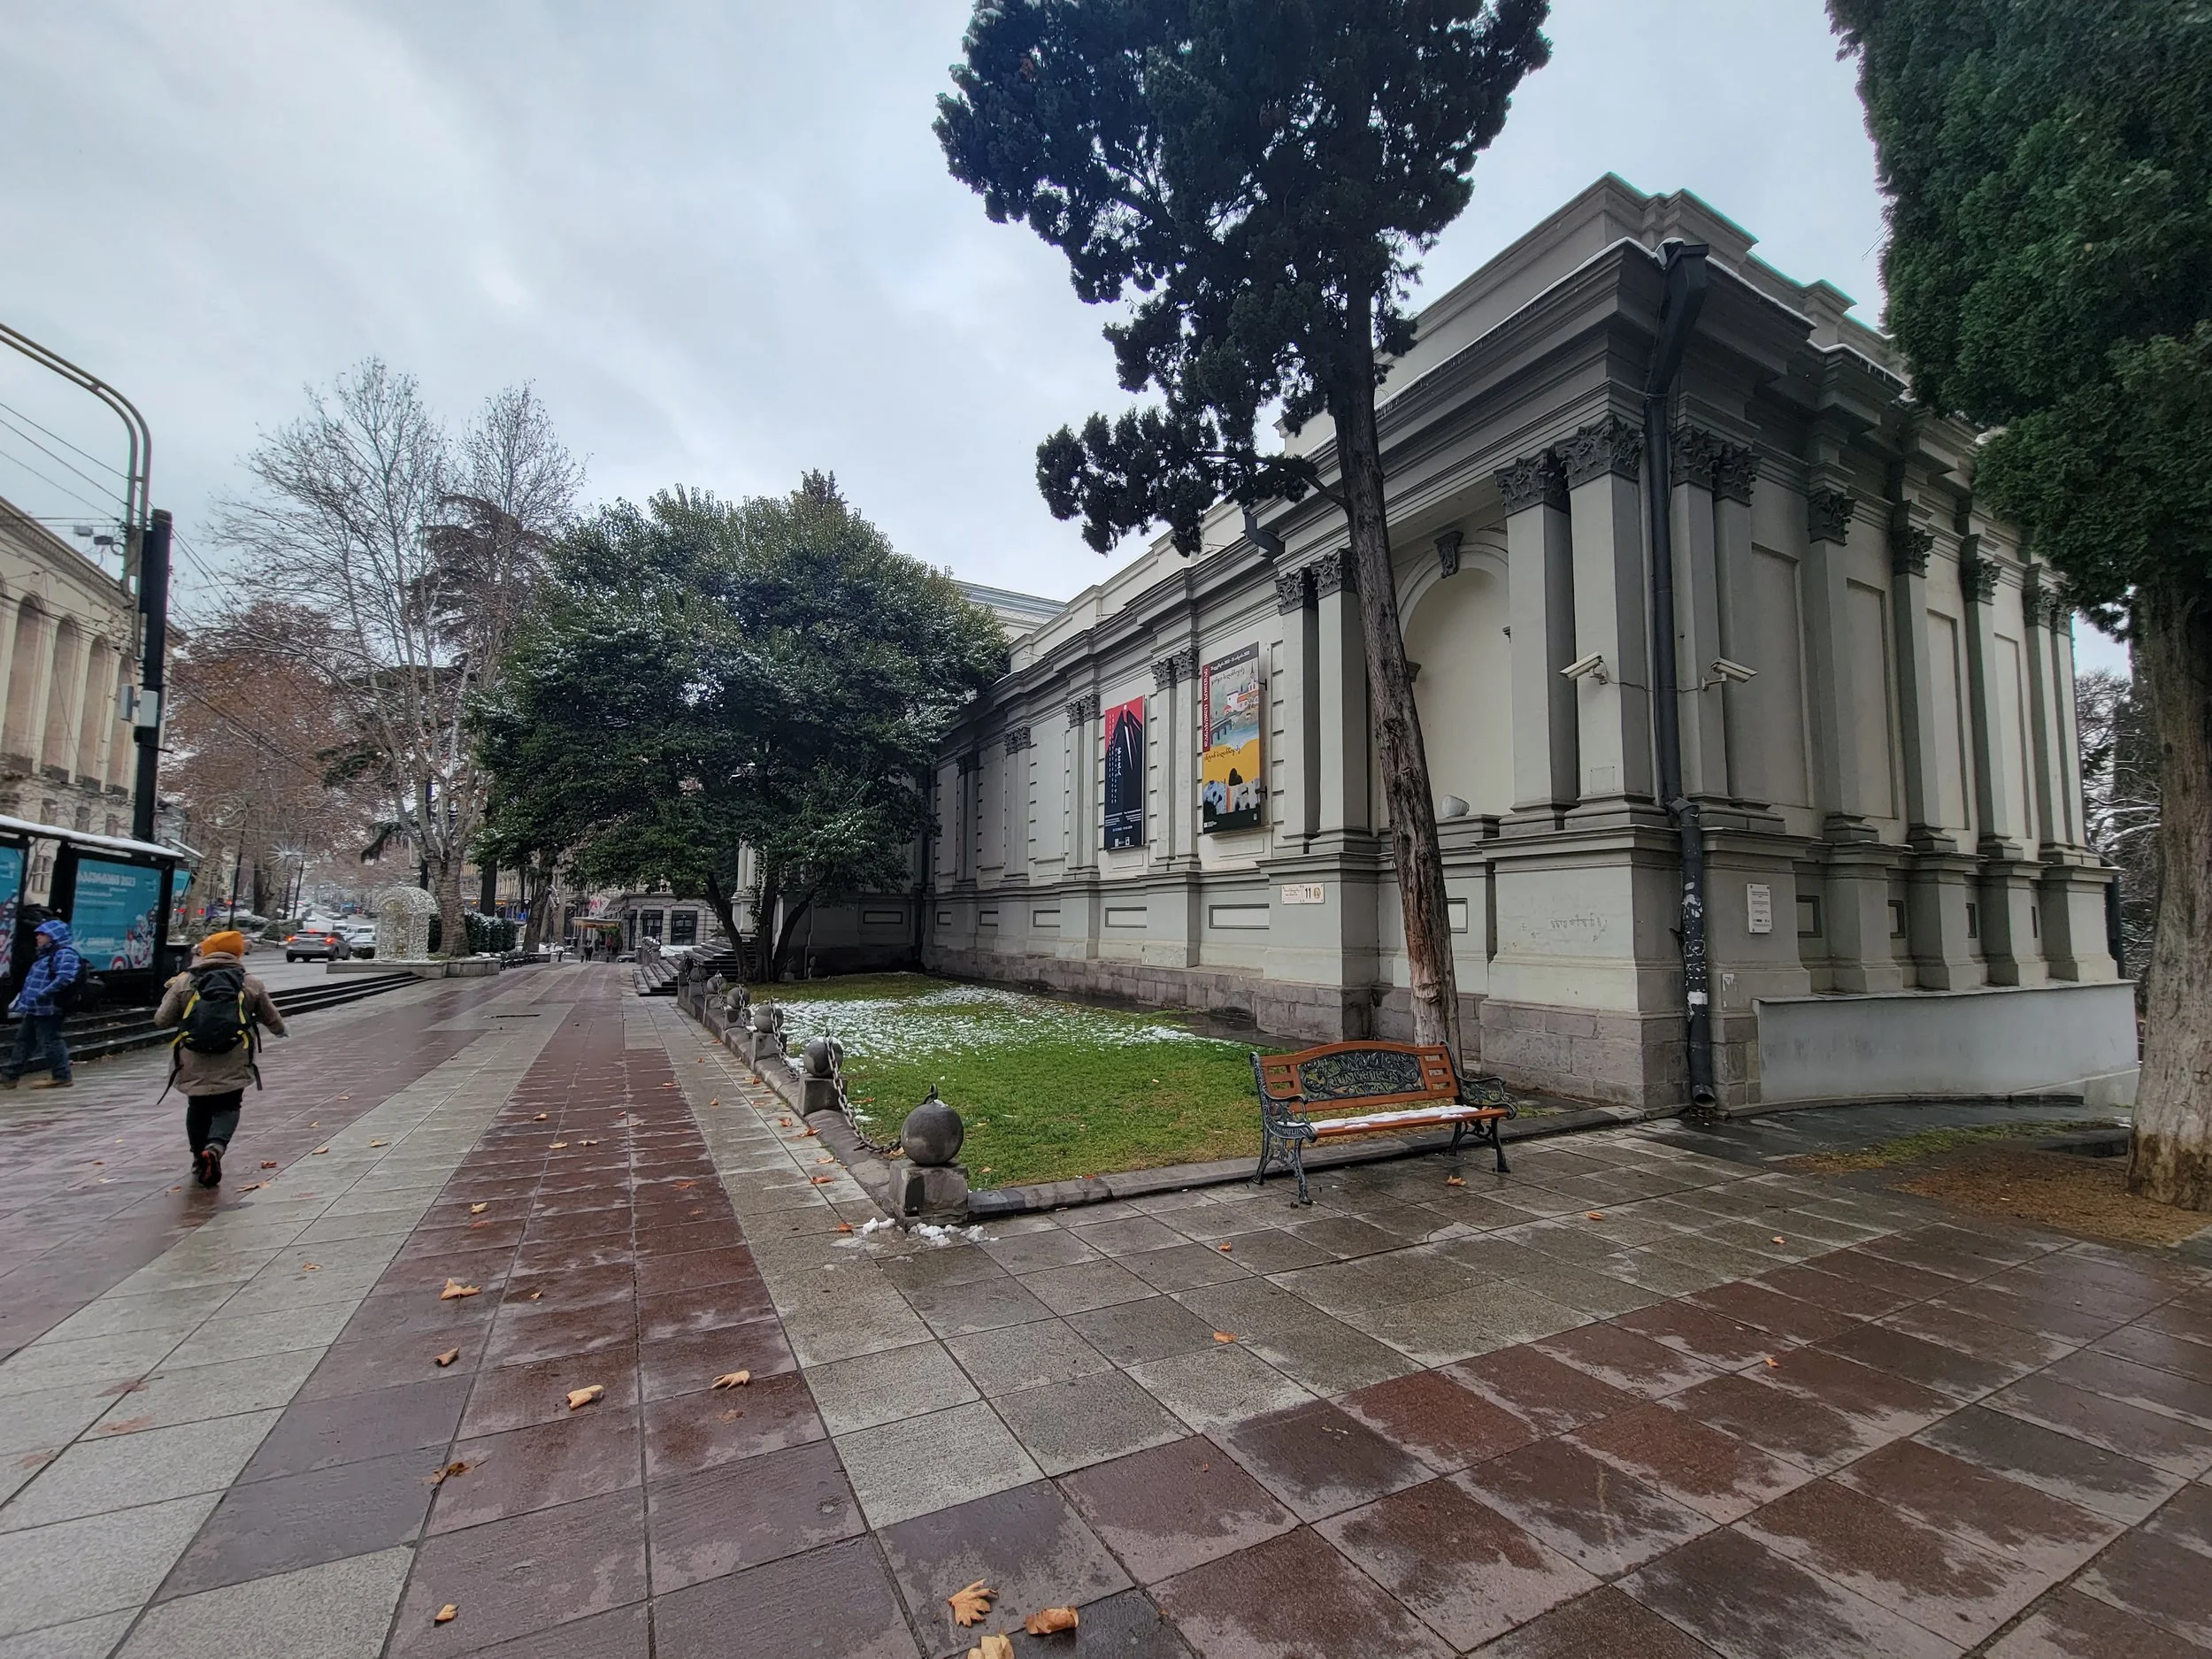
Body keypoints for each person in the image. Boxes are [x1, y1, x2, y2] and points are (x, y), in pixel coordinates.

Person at [154, 930, 287, 1187]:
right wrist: (281, 1032)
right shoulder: (250, 983)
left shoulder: (184, 982)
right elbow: (272, 1018)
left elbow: (161, 1020)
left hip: (193, 1057)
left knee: (198, 1107)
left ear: (205, 951)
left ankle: (197, 1158)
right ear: (237, 953)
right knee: (228, 1105)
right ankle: (215, 1148)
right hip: (234, 1056)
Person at [3, 918, 82, 1089]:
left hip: (49, 1008)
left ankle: (62, 1076)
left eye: (43, 934)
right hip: (35, 1008)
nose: (38, 937)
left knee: (51, 1041)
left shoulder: (64, 953)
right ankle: (10, 1077)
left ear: (54, 936)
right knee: (23, 1040)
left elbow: (65, 977)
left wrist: (42, 993)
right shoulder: (47, 953)